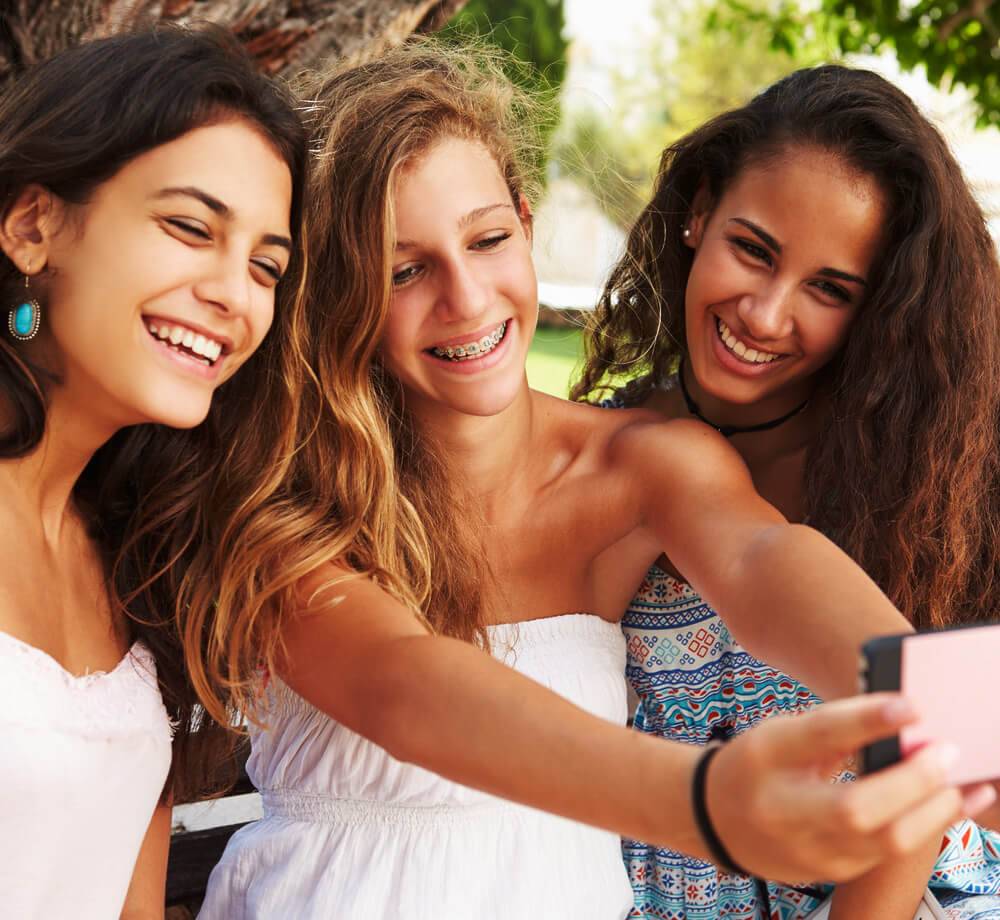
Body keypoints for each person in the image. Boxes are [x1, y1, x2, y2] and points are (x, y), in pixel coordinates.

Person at [178, 44, 990, 920]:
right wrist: (709, 804)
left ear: (526, 226)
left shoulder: (643, 463)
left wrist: (959, 712)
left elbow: (764, 560)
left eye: (487, 239)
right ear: (339, 287)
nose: (466, 297)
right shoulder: (284, 502)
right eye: (405, 268)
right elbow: (403, 685)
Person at [572, 64, 1000, 919]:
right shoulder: (601, 456)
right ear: (698, 212)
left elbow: (952, 733)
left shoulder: (929, 483)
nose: (766, 315)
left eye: (829, 289)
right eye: (753, 249)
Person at [0, 26, 307, 919]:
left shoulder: (143, 559)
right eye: (188, 227)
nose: (234, 294)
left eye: (265, 265)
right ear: (31, 226)